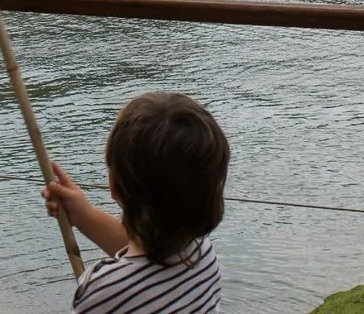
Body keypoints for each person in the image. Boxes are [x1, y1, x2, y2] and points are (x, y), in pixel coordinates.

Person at [42, 92, 230, 313]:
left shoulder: (104, 292)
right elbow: (153, 253)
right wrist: (84, 216)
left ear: (113, 185)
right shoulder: (202, 256)